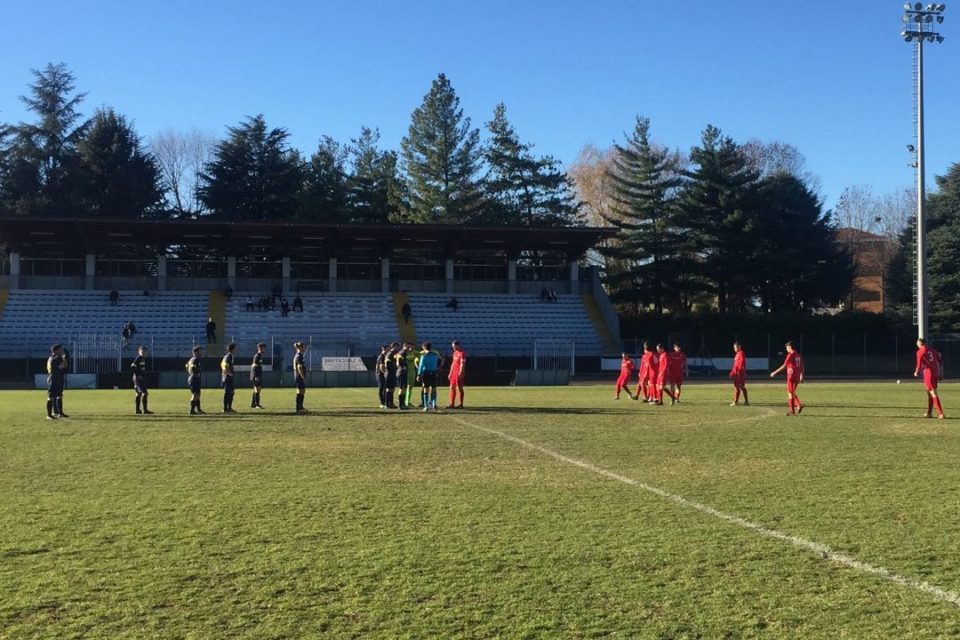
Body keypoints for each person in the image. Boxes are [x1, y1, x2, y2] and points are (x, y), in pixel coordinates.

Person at [914, 338, 945, 419]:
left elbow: (918, 364)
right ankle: (929, 413)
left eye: (917, 342)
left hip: (928, 374)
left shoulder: (920, 351)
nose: (916, 343)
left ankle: (940, 413)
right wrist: (941, 373)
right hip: (935, 373)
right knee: (929, 393)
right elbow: (941, 361)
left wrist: (916, 372)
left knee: (933, 393)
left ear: (920, 343)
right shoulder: (933, 350)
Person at [770, 341, 804, 416]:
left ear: (790, 347)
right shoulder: (798, 355)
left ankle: (794, 408)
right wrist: (801, 375)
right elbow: (802, 365)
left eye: (787, 348)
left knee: (790, 393)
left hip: (791, 376)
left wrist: (774, 372)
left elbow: (784, 366)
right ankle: (796, 407)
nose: (786, 349)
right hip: (797, 377)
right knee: (791, 392)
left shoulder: (790, 355)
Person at [45, 343, 68, 420]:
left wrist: (64, 359)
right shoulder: (53, 359)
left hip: (58, 377)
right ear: (56, 350)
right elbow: (61, 365)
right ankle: (49, 415)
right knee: (51, 396)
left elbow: (65, 365)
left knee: (59, 395)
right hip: (54, 378)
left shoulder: (57, 358)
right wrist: (63, 359)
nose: (61, 351)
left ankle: (60, 413)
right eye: (60, 350)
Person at [417, 342, 441, 411]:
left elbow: (421, 366)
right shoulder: (435, 355)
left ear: (424, 348)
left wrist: (419, 374)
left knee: (426, 389)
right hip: (434, 373)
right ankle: (434, 404)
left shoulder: (423, 356)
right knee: (434, 389)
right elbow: (440, 361)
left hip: (426, 373)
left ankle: (426, 406)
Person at [131, 345, 152, 414]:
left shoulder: (142, 358)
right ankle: (144, 410)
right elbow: (132, 366)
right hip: (138, 379)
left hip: (137, 378)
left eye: (144, 351)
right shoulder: (139, 358)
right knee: (145, 393)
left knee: (138, 393)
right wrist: (138, 375)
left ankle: (137, 410)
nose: (143, 352)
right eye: (142, 351)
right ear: (139, 352)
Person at [448, 340, 467, 408]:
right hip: (454, 373)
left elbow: (462, 364)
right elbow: (453, 364)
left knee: (460, 388)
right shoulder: (454, 353)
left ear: (458, 345)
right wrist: (450, 372)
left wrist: (460, 372)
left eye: (454, 346)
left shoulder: (462, 353)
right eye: (453, 347)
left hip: (459, 373)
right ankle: (452, 404)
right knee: (452, 387)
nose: (453, 348)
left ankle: (461, 404)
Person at [729, 342, 749, 406]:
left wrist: (739, 370)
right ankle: (745, 401)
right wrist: (732, 372)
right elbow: (735, 365)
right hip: (737, 373)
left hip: (740, 373)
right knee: (738, 387)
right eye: (734, 347)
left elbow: (742, 362)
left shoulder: (741, 353)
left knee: (740, 387)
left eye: (736, 347)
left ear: (740, 347)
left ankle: (736, 402)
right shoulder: (737, 354)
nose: (735, 348)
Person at [187, 345, 204, 415]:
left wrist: (190, 372)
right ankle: (191, 410)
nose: (201, 352)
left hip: (194, 378)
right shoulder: (195, 359)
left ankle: (198, 409)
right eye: (200, 351)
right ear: (196, 352)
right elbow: (193, 367)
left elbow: (186, 365)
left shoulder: (192, 359)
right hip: (194, 379)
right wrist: (194, 373)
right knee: (195, 394)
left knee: (198, 394)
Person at [221, 343, 237, 413]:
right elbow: (225, 365)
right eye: (235, 348)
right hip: (227, 377)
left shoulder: (229, 356)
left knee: (232, 392)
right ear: (233, 349)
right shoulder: (228, 356)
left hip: (228, 376)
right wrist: (228, 372)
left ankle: (229, 407)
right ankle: (225, 408)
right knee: (227, 392)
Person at [293, 341, 308, 414]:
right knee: (300, 391)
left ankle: (300, 407)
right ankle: (299, 408)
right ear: (300, 347)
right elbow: (299, 367)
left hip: (298, 376)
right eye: (303, 347)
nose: (304, 348)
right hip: (299, 376)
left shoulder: (297, 355)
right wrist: (303, 376)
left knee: (302, 390)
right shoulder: (299, 356)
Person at [383, 343, 400, 408]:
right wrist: (391, 368)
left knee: (392, 389)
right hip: (389, 373)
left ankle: (391, 403)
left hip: (392, 373)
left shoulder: (393, 353)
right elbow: (387, 362)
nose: (398, 348)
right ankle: (387, 404)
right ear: (394, 346)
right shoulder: (390, 353)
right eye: (397, 347)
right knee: (389, 389)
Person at [250, 342, 266, 409]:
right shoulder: (257, 356)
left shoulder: (260, 356)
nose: (264, 349)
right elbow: (255, 367)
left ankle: (253, 404)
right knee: (257, 389)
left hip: (257, 375)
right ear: (260, 348)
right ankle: (257, 405)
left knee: (256, 389)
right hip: (256, 375)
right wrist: (256, 376)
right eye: (263, 348)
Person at [396, 343, 411, 409]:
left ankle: (402, 404)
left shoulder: (403, 352)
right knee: (402, 388)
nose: (409, 348)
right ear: (404, 346)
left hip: (403, 372)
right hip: (401, 372)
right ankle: (400, 405)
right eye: (408, 346)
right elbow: (399, 361)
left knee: (404, 388)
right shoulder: (402, 352)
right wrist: (402, 366)